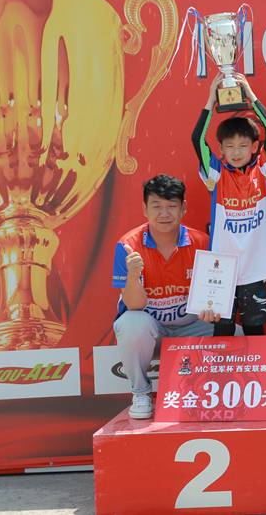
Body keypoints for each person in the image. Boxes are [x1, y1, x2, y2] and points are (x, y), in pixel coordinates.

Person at [111, 175, 214, 420]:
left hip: (191, 328)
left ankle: (213, 393)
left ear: (183, 208)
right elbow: (134, 305)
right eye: (157, 206)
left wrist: (212, 309)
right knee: (131, 324)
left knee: (236, 333)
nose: (164, 213)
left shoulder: (202, 242)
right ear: (144, 208)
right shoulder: (127, 246)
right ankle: (141, 393)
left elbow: (212, 295)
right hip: (154, 332)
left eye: (171, 206)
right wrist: (133, 275)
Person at [191, 74, 266, 336]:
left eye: (243, 145)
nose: (237, 151)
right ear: (221, 149)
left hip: (255, 265)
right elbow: (197, 139)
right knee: (223, 329)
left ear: (255, 147)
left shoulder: (263, 168)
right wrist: (211, 99)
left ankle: (259, 368)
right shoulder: (215, 173)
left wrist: (250, 95)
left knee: (255, 328)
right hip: (222, 267)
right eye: (230, 146)